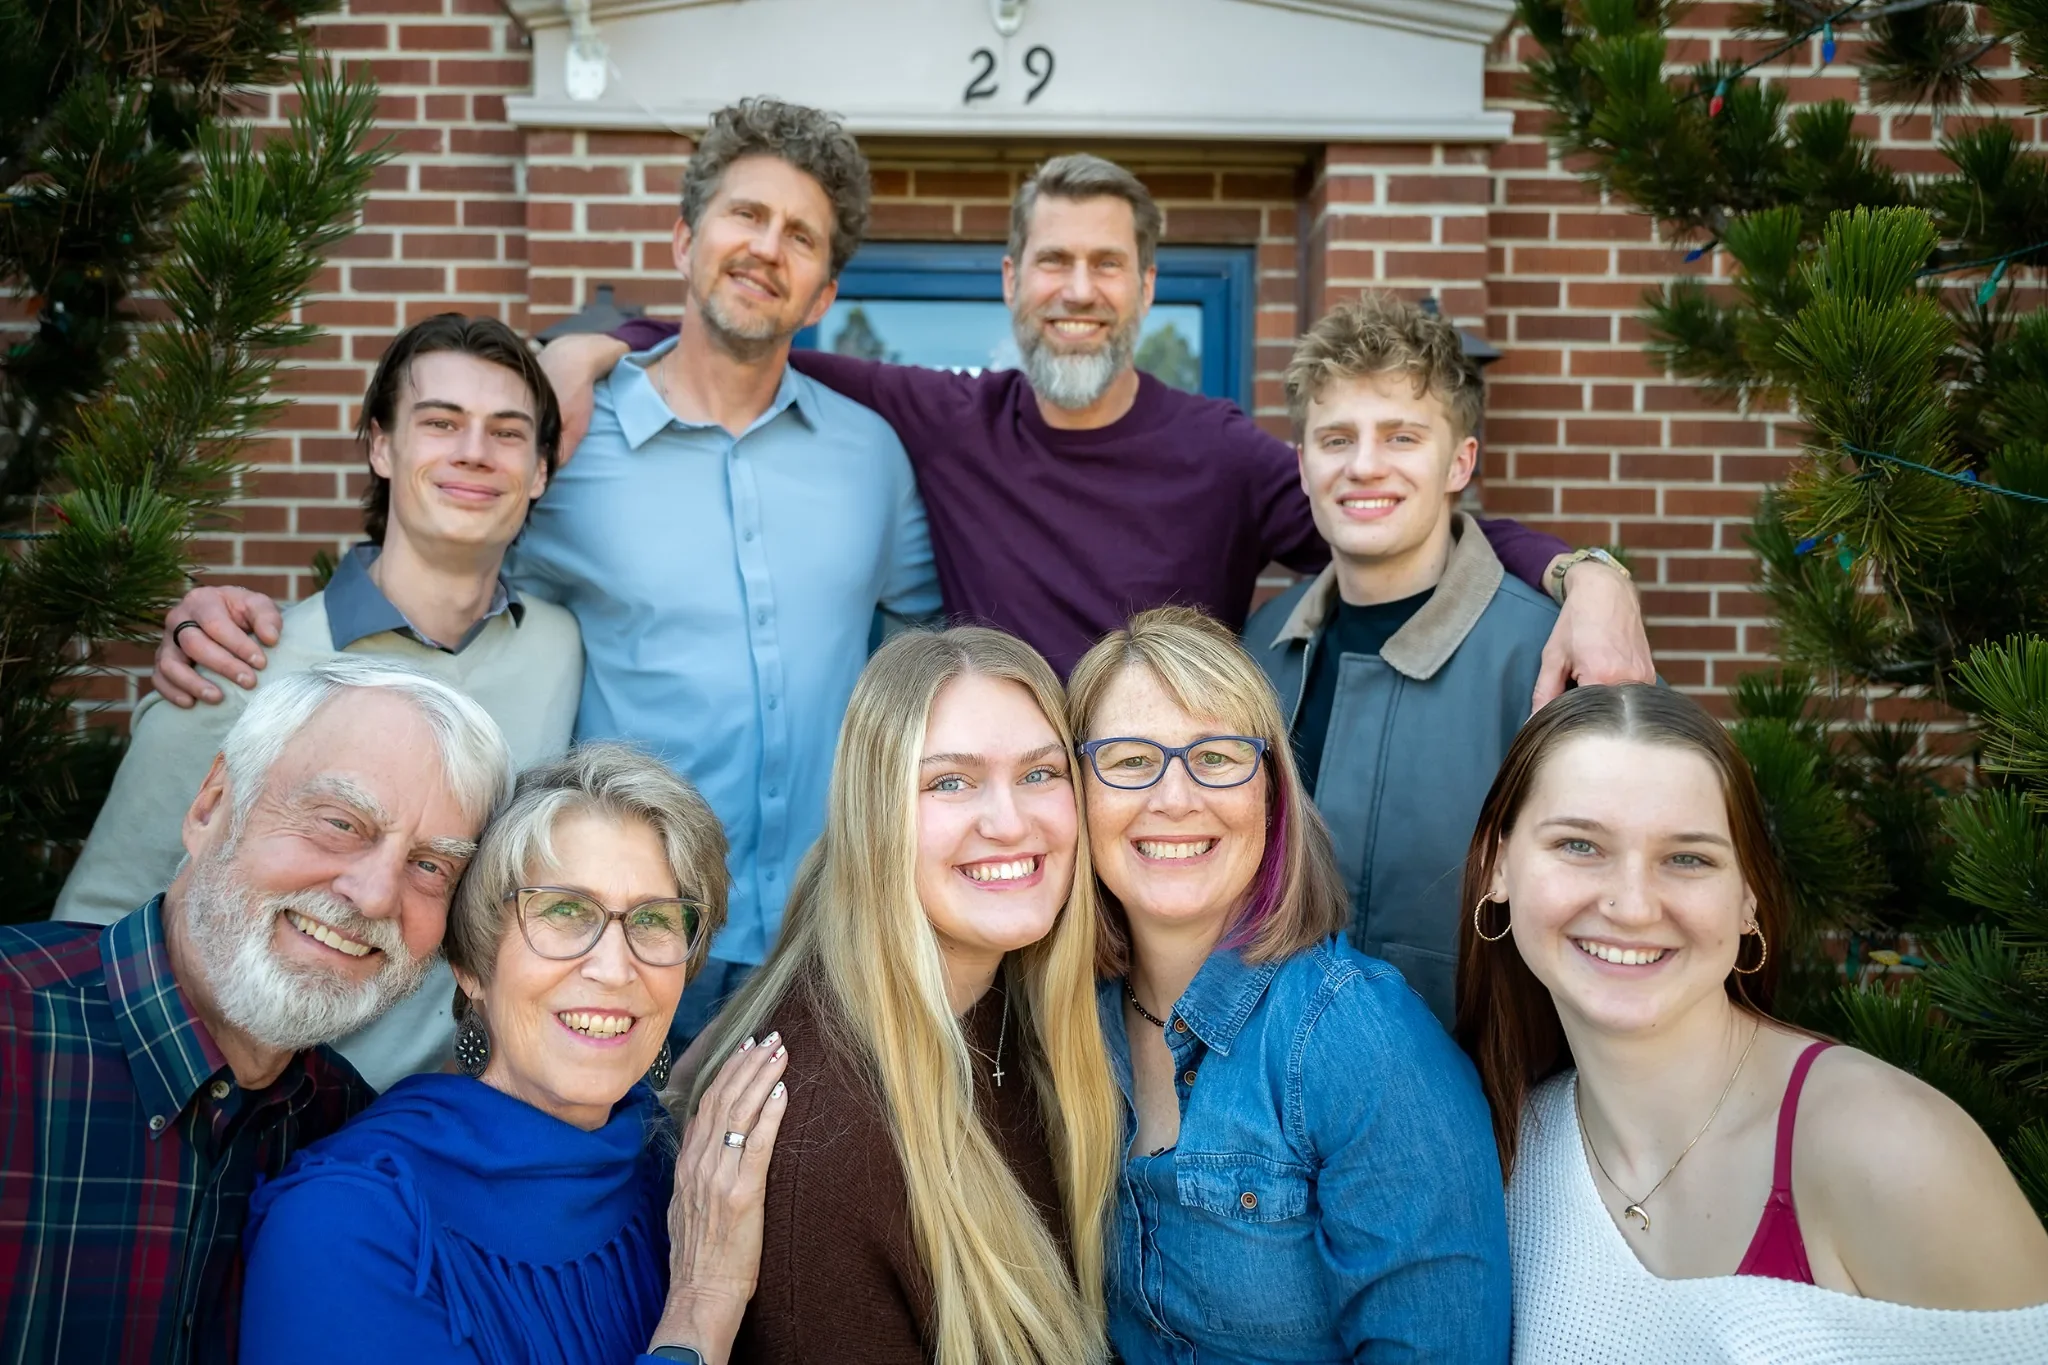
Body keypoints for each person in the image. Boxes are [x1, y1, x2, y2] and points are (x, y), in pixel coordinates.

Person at [147, 99, 939, 1046]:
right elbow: (435, 570)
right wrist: (245, 619)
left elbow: (914, 660)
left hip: (829, 935)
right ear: (685, 238)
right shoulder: (567, 436)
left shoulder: (872, 457)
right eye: (745, 215)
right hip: (616, 938)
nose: (767, 247)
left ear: (822, 292)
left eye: (800, 235)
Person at [555, 151, 1651, 697]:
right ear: (1010, 281)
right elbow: (739, 326)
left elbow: (1406, 527)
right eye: (1052, 262)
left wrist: (1583, 574)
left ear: (1141, 287)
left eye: (1103, 265)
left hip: (1164, 840)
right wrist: (580, 349)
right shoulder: (947, 418)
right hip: (999, 836)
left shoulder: (1216, 455)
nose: (1075, 289)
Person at [54, 312, 582, 1089]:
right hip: (239, 1115)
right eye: (440, 422)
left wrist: (598, 344)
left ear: (539, 470)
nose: (473, 450)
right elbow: (97, 919)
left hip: (420, 1134)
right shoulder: (239, 665)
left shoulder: (558, 646)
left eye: (507, 432)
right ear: (380, 446)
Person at [1458, 683, 2048, 1362]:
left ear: (1748, 900)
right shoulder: (1504, 1154)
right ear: (1497, 865)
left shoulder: (1892, 1149)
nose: (1631, 903)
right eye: (1579, 844)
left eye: (1688, 857)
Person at [0, 657, 512, 1365]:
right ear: (211, 805)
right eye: (339, 821)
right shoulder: (10, 1026)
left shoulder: (347, 1128)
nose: (372, 894)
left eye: (431, 866)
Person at [240, 744, 788, 1365]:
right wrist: (702, 1305)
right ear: (472, 963)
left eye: (655, 920)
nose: (614, 968)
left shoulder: (688, 1174)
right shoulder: (345, 1223)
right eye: (563, 910)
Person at [1067, 607, 1510, 1362]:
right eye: (1132, 759)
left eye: (1216, 755)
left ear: (1271, 795)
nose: (1175, 797)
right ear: (1077, 794)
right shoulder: (1069, 1018)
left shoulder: (1360, 1041)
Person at [682, 627, 1120, 1363]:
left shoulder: (1006, 995)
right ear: (874, 817)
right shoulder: (821, 1143)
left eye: (1041, 773)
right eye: (950, 781)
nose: (1010, 822)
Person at [1244, 292, 1567, 1026]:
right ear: (1301, 464)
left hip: (1486, 1110)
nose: (1363, 466)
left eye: (1400, 437)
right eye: (1335, 439)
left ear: (1460, 462)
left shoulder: (1546, 660)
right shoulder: (1262, 645)